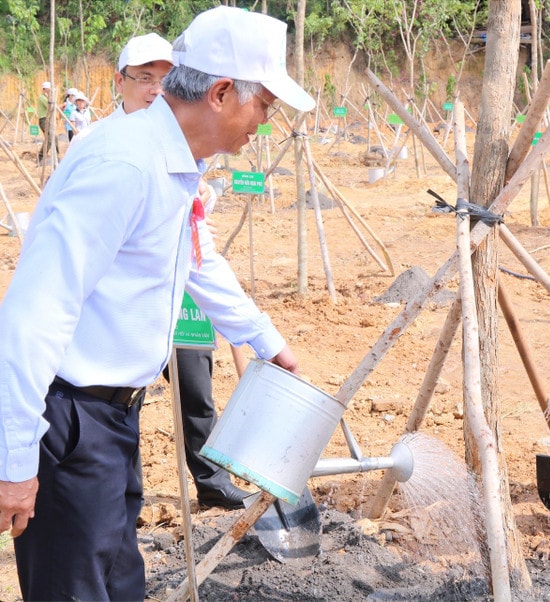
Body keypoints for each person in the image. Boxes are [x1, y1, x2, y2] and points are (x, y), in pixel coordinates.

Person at [0, 6, 315, 601]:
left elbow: (197, 258)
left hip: (113, 420)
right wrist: (14, 460)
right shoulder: (123, 164)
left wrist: (263, 340)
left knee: (120, 586)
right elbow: (34, 314)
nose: (265, 125)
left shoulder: (177, 163)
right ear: (222, 92)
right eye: (265, 106)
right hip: (69, 425)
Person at [110, 31, 250, 510]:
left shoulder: (189, 145)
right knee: (123, 396)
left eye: (165, 79)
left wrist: (201, 196)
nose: (154, 89)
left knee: (196, 384)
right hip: (128, 303)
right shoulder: (104, 148)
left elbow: (196, 237)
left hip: (184, 290)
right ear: (120, 82)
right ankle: (127, 491)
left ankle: (210, 480)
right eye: (143, 78)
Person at [35, 81, 58, 162]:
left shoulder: (47, 98)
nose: (50, 92)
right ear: (45, 90)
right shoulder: (42, 98)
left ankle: (56, 155)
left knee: (54, 137)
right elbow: (50, 107)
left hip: (48, 119)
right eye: (49, 90)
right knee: (49, 139)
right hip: (44, 120)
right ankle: (40, 157)